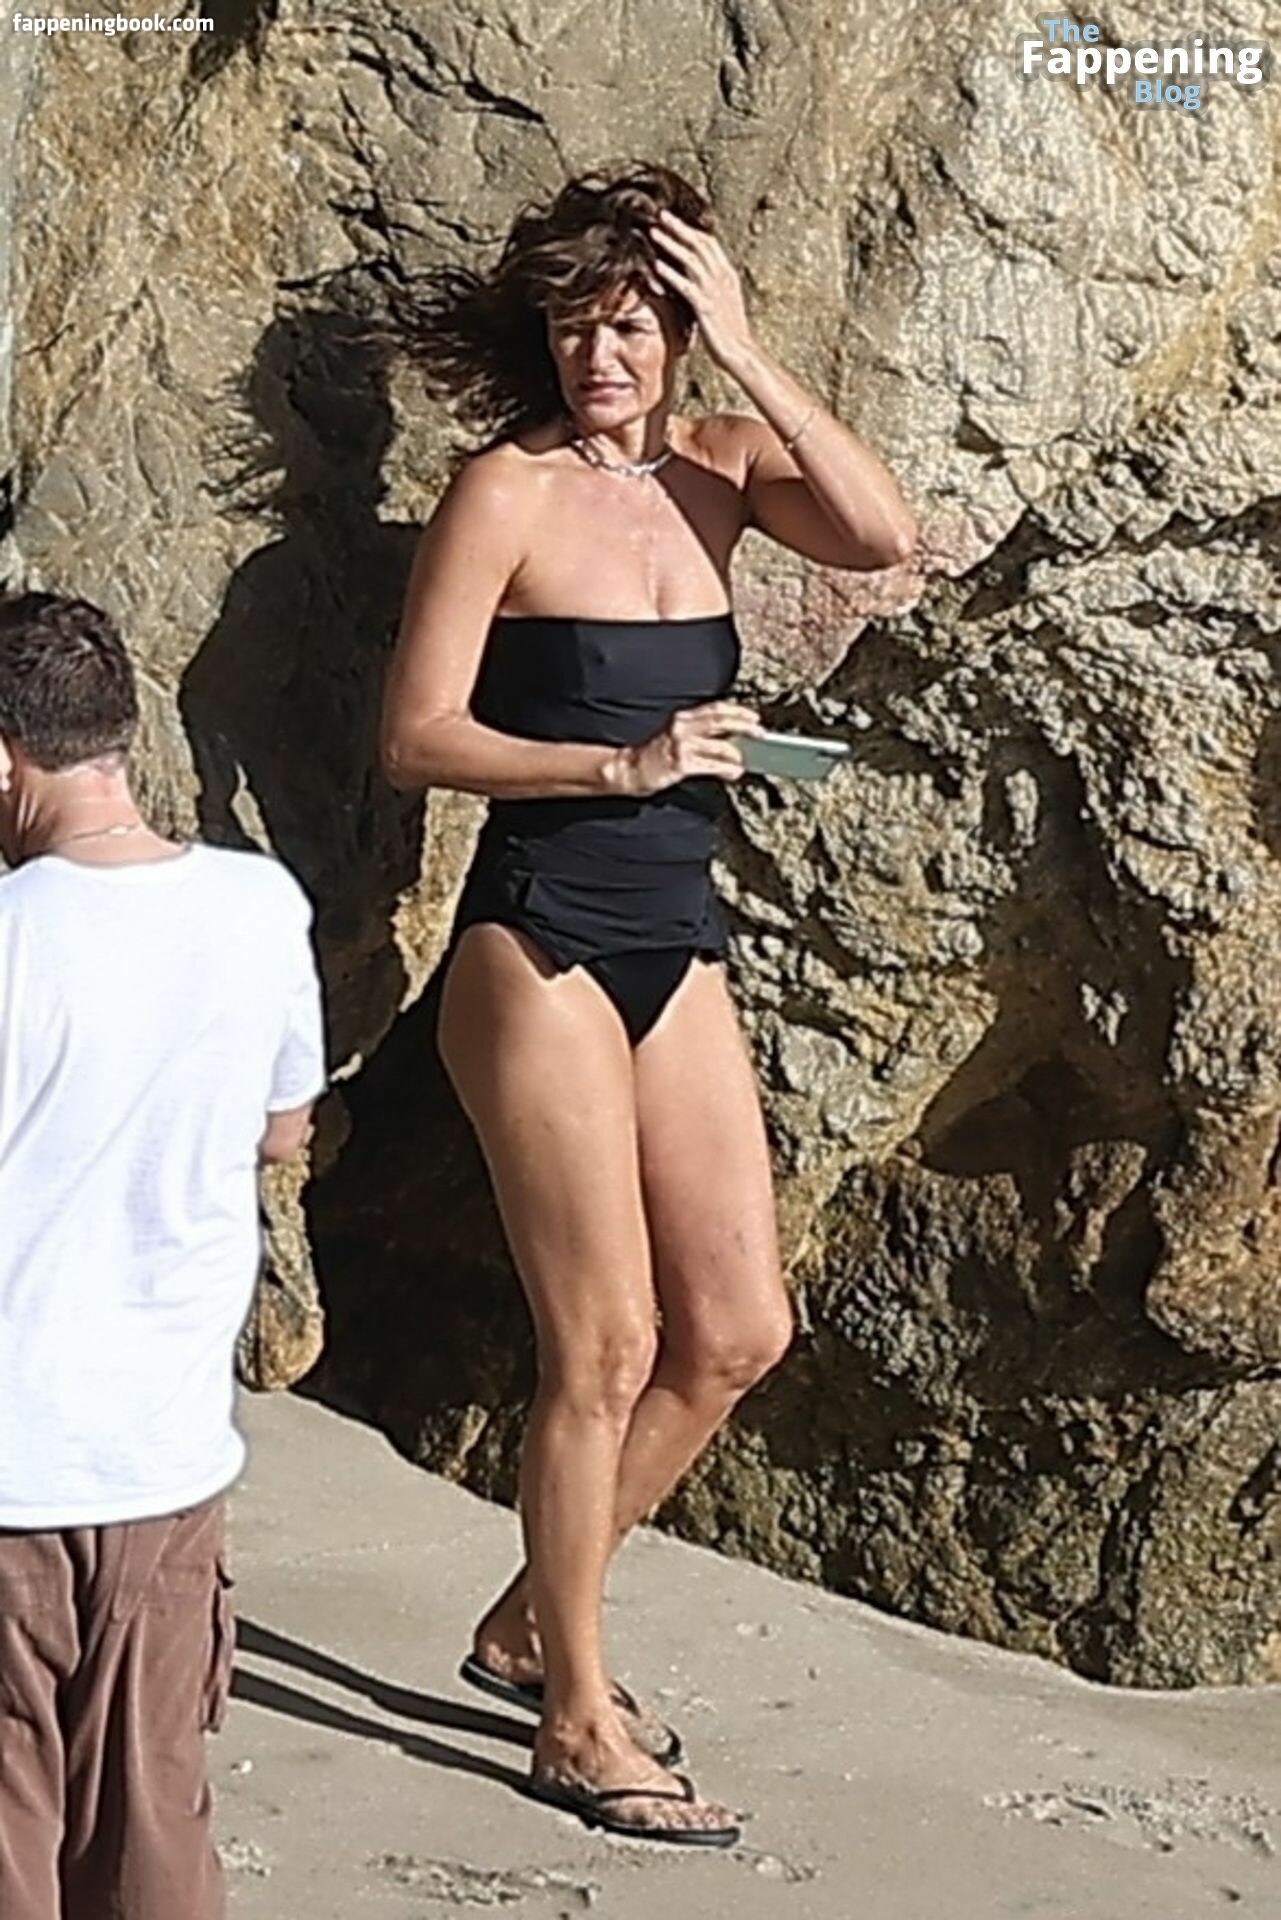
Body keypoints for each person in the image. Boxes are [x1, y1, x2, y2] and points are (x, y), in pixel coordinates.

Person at [380, 164, 917, 1845]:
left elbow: (883, 536)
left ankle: (522, 1626)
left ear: (680, 333)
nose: (597, 356)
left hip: (674, 940)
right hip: (536, 939)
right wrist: (615, 763)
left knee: (738, 1331)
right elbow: (414, 736)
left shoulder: (720, 470)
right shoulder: (506, 490)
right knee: (605, 1345)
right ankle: (573, 1719)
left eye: (629, 326)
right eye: (574, 326)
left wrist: (749, 351)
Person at [0, 591, 326, 1919]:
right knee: (151, 1831)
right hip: (163, 1459)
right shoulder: (258, 907)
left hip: (12, 1467)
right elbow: (284, 1126)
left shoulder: (12, 934)